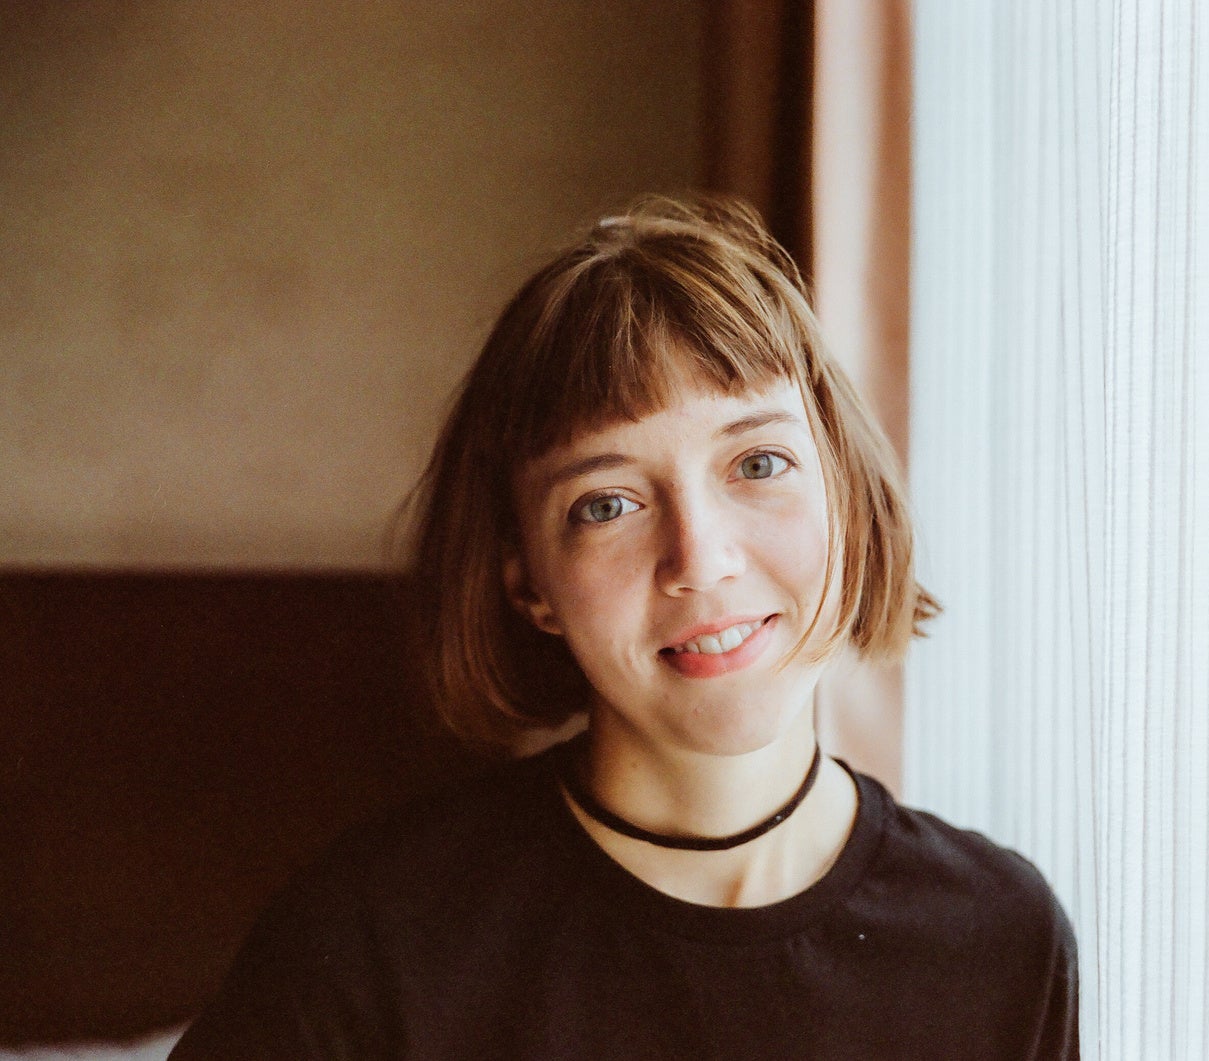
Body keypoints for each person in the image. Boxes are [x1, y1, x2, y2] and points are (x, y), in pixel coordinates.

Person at [170, 195, 1079, 1059]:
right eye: (607, 503)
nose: (701, 556)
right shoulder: (370, 943)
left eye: (758, 461)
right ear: (527, 582)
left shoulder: (1000, 935)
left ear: (845, 487)